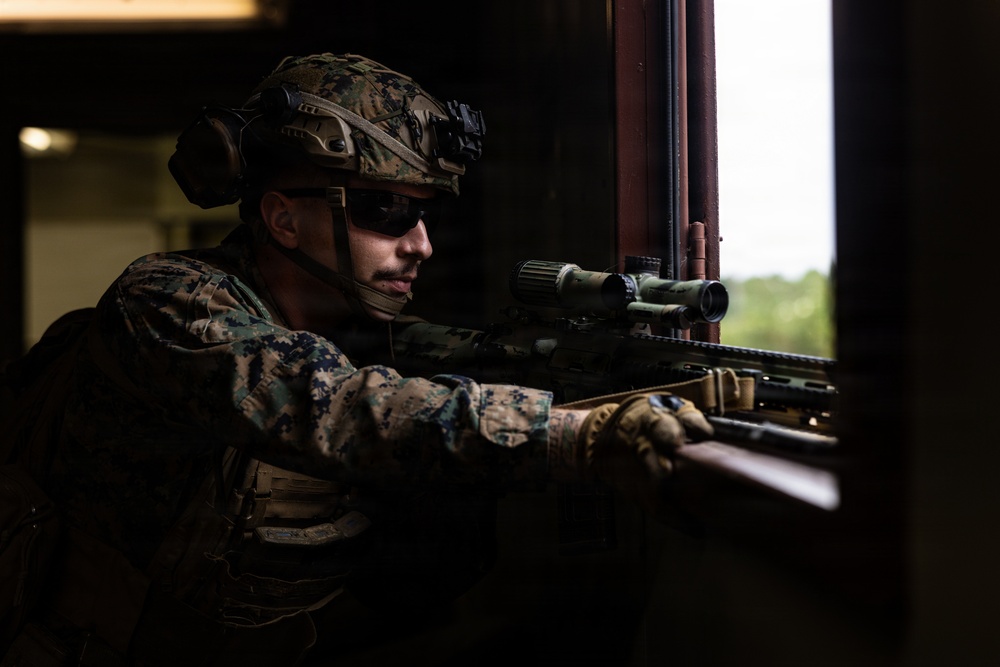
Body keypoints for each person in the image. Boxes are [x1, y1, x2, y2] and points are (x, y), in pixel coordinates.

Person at [0, 53, 712, 666]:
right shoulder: (168, 301)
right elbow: (330, 404)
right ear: (283, 217)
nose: (421, 244)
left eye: (426, 212)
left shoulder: (360, 332)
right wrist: (572, 434)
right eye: (386, 212)